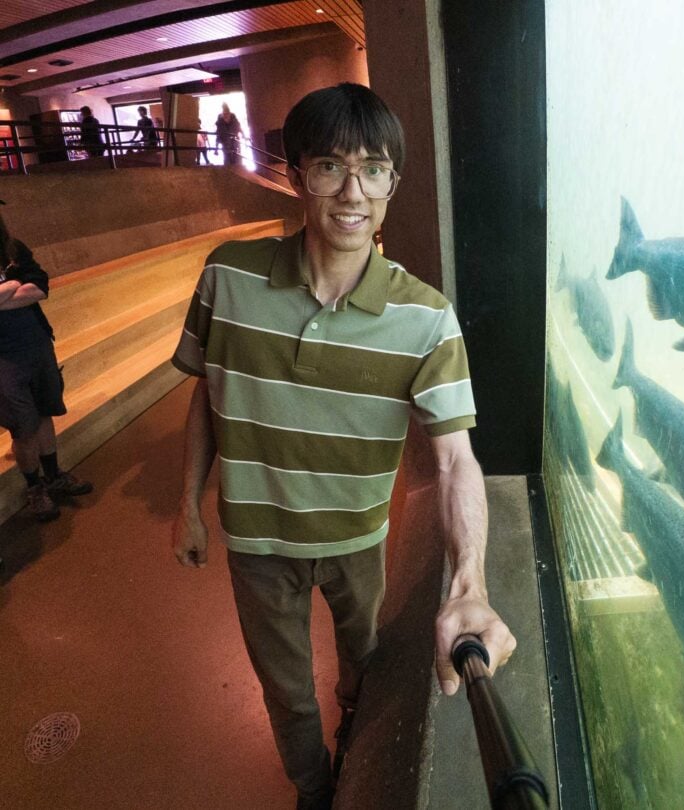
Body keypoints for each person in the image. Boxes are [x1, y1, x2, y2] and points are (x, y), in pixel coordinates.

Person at [170, 83, 515, 810]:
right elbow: (206, 387)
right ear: (296, 173)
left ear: (394, 182)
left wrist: (470, 583)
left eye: (375, 169)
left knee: (366, 668)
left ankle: (355, 742)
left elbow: (456, 459)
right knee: (286, 692)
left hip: (358, 540)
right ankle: (314, 789)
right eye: (330, 166)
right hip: (257, 544)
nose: (352, 190)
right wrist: (188, 505)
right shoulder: (227, 276)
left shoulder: (426, 319)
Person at [0, 201, 93, 522]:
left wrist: (6, 290)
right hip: (4, 359)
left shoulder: (12, 248)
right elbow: (25, 287)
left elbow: (39, 288)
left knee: (44, 412)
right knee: (22, 428)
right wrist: (14, 286)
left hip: (37, 343)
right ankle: (34, 487)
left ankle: (54, 477)